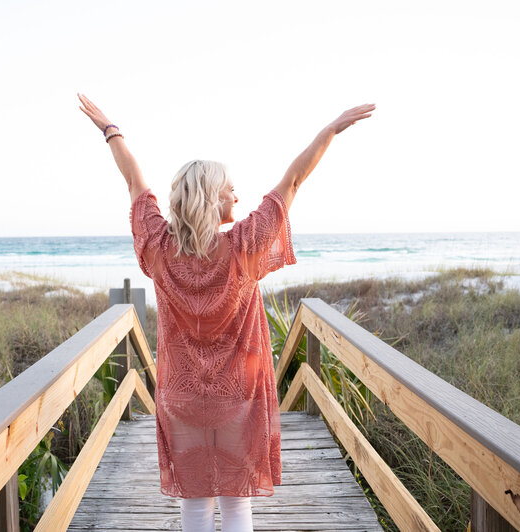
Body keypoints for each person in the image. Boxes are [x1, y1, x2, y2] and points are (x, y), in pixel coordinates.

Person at [77, 93, 375, 532]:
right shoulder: (244, 248)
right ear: (212, 199)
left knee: (195, 506)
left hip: (181, 397)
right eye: (229, 188)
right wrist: (329, 131)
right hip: (238, 397)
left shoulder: (160, 248)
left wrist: (111, 130)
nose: (237, 193)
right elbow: (291, 183)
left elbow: (134, 183)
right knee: (237, 504)